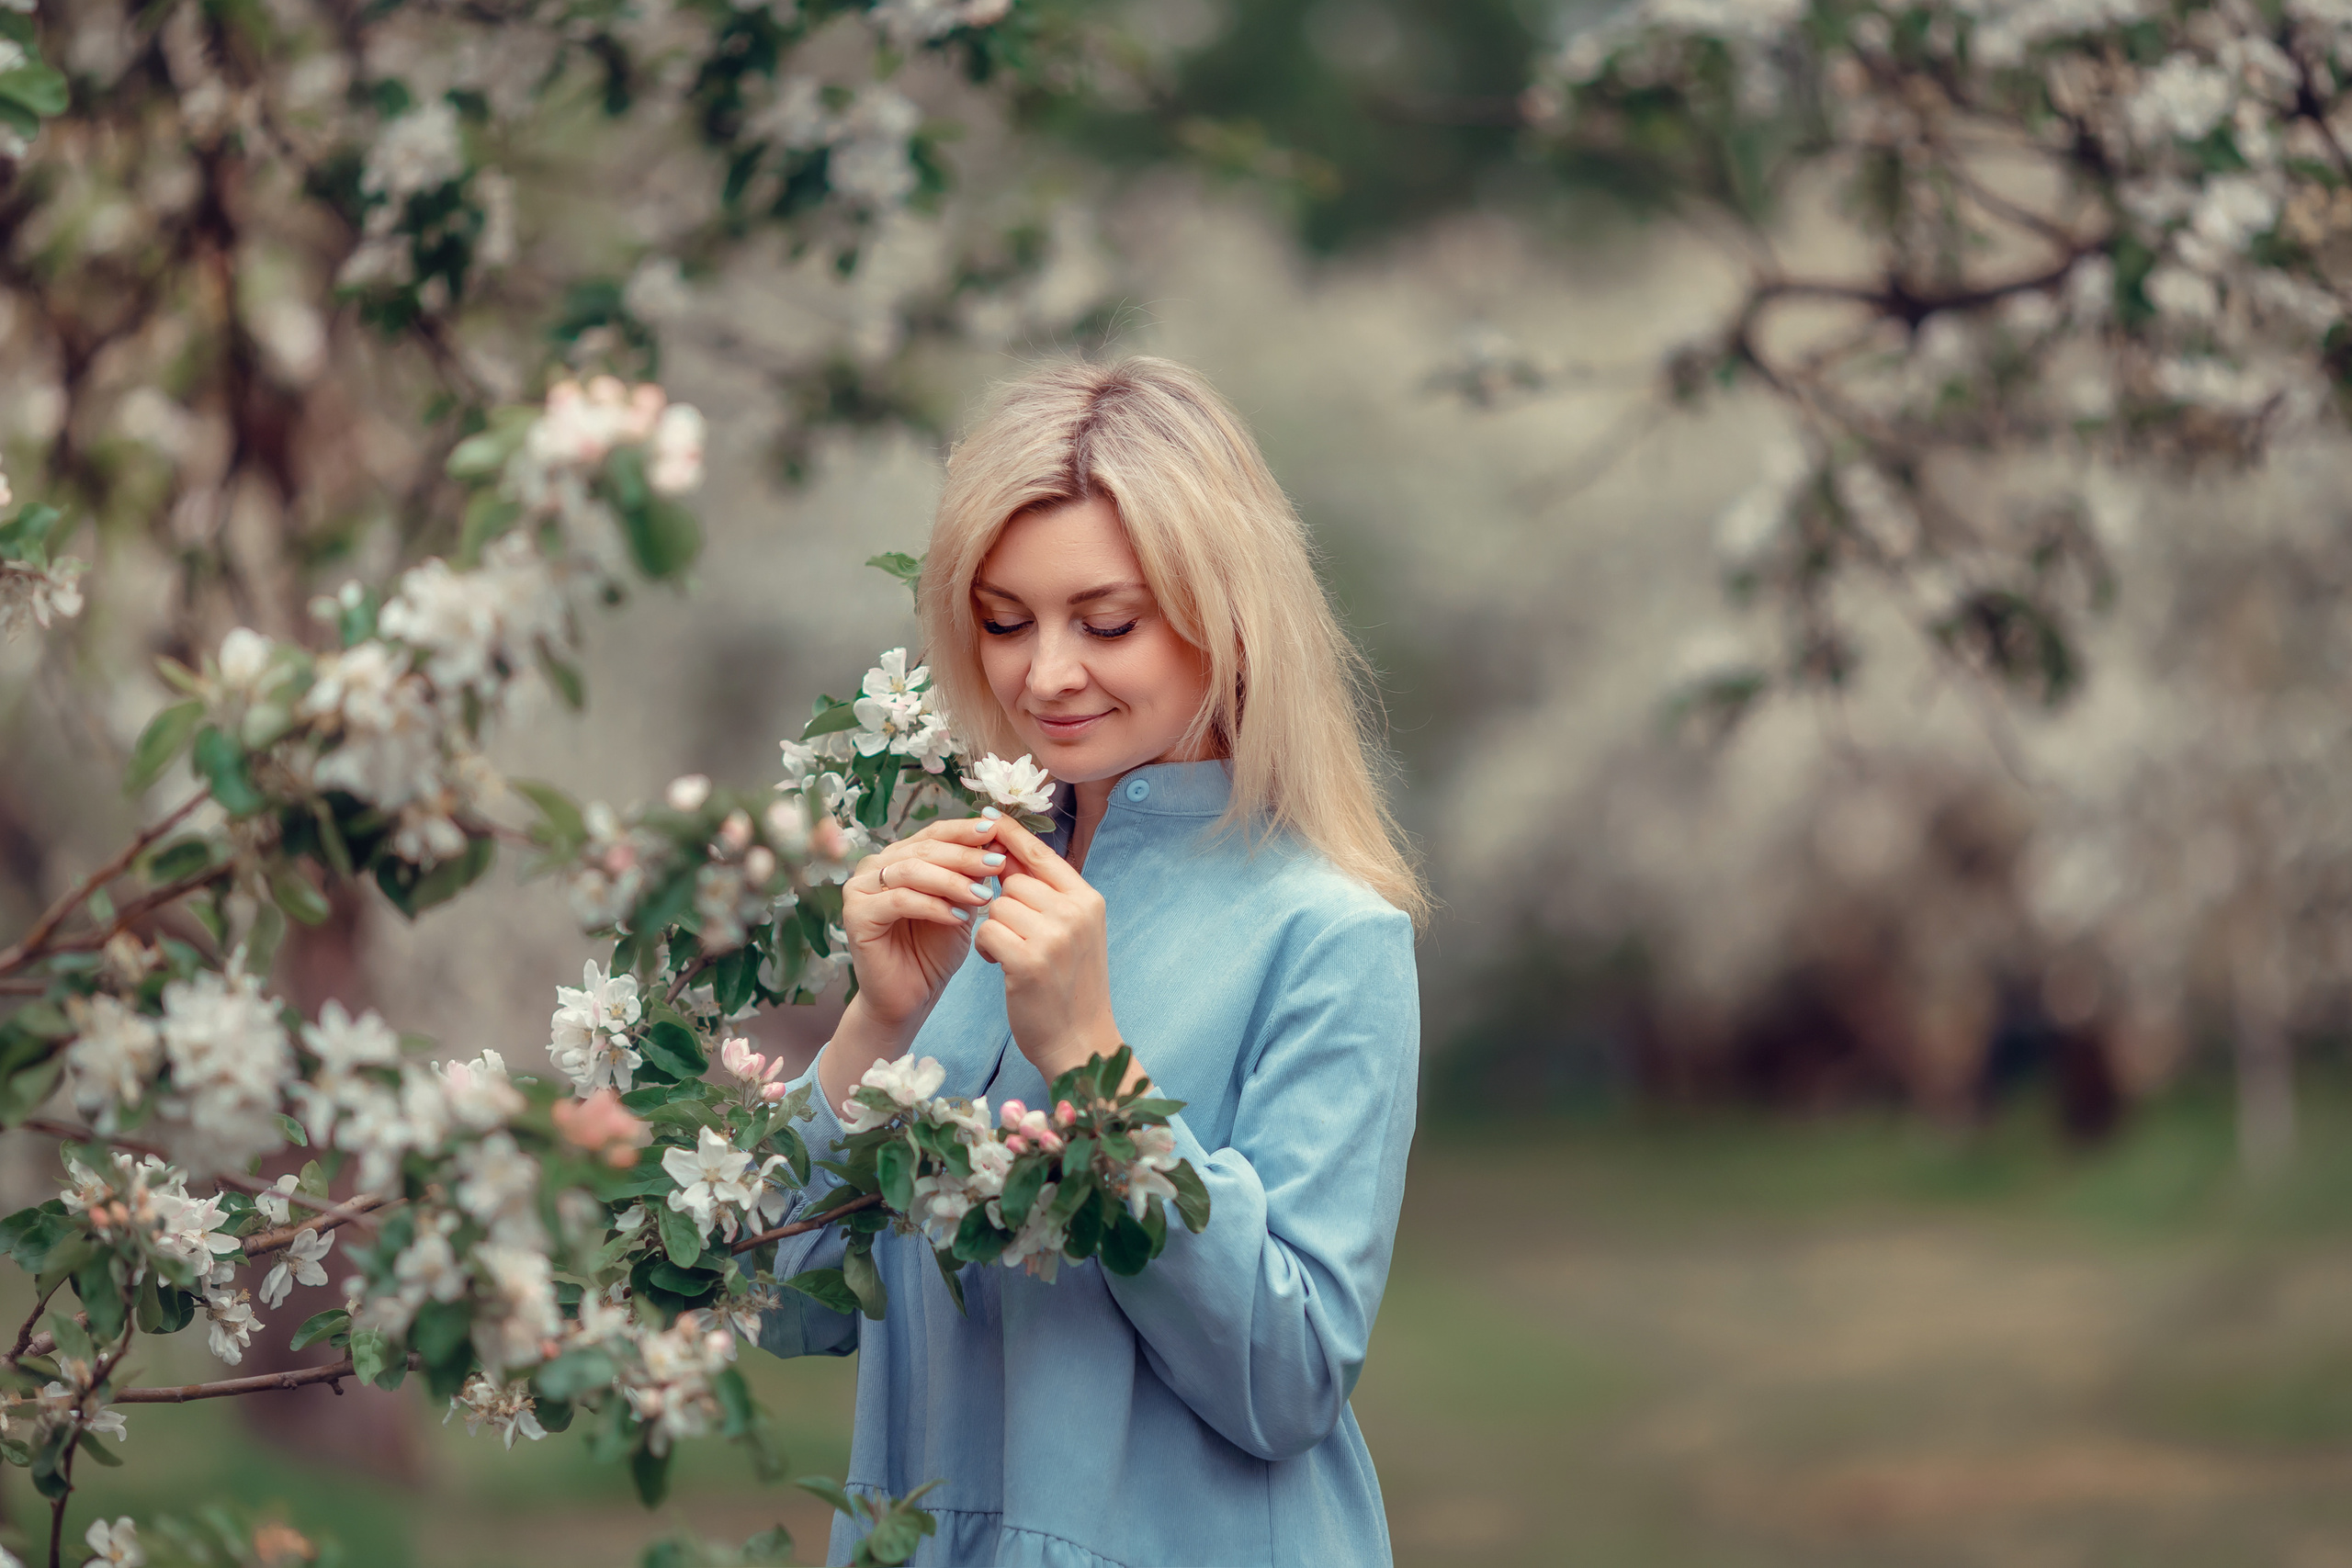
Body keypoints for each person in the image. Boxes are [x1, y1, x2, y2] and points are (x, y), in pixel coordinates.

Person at [760, 356, 1427, 1567]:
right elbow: (791, 1305)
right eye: (1006, 621)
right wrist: (878, 1025)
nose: (1045, 673)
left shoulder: (1327, 935)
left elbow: (1291, 1381)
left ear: (1224, 614)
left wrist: (1095, 1068)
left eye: (1106, 622)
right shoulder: (966, 887)